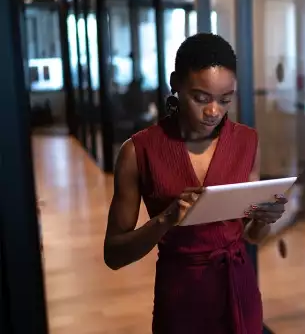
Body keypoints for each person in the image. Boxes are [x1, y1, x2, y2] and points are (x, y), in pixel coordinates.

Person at [103, 33, 287, 334]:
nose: (214, 111)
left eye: (225, 100)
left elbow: (252, 236)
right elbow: (114, 255)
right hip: (180, 296)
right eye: (201, 98)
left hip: (238, 286)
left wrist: (264, 220)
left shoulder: (246, 142)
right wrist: (165, 219)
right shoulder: (138, 151)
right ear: (175, 82)